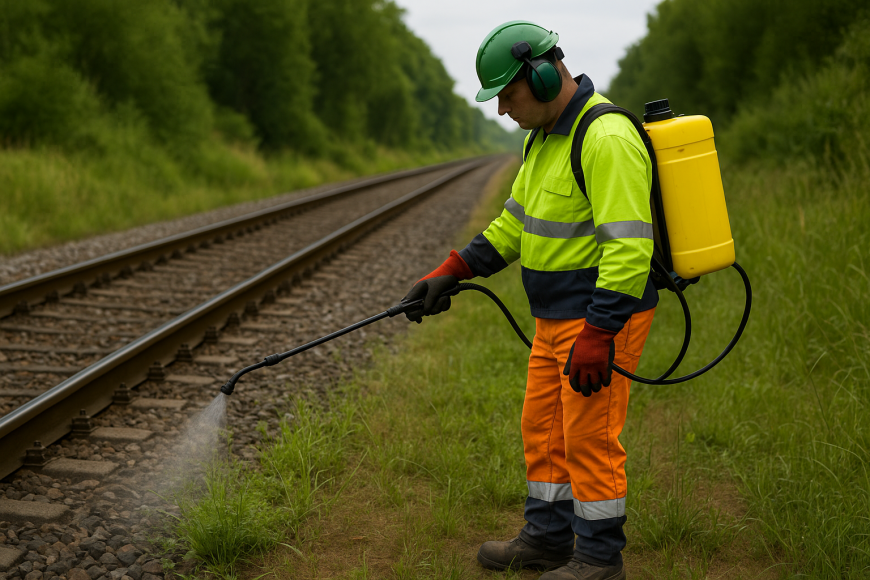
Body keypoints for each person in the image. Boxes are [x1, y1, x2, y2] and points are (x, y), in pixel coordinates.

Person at [402, 20, 659, 580]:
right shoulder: (542, 140)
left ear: (543, 76)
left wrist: (599, 333)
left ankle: (598, 560)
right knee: (544, 428)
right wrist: (452, 271)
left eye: (507, 96)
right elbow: (514, 226)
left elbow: (629, 248)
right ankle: (547, 540)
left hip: (599, 319)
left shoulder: (606, 138)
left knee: (589, 437)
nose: (502, 111)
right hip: (553, 319)